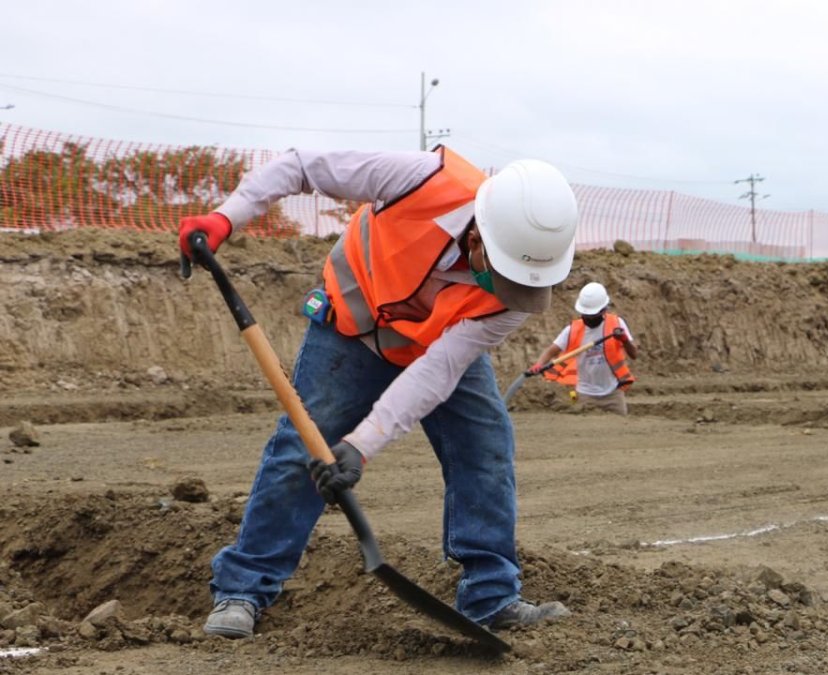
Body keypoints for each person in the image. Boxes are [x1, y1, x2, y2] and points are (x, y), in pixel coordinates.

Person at [177, 145, 579, 639]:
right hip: (349, 329)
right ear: (479, 233)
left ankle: (491, 596)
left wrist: (362, 447)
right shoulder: (421, 179)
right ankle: (243, 589)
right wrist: (226, 218)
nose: (504, 286)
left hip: (434, 350)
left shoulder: (516, 297)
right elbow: (302, 166)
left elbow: (437, 371)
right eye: (501, 270)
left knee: (486, 449)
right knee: (305, 447)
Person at [532, 282, 637, 414]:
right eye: (586, 316)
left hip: (613, 394)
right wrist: (539, 364)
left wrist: (625, 340)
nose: (589, 319)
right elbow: (551, 351)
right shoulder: (572, 330)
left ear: (604, 310)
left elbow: (634, 354)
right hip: (584, 395)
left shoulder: (616, 324)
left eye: (593, 316)